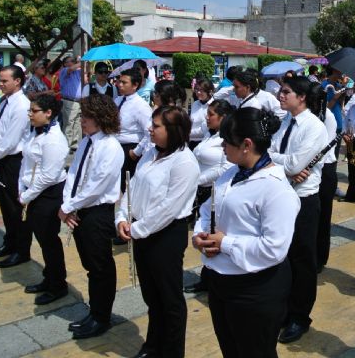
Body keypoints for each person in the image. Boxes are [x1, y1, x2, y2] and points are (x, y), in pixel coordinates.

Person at [194, 107, 299, 358]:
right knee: (231, 349)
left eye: (227, 142)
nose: (222, 147)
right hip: (222, 281)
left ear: (246, 145)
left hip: (255, 289)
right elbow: (209, 209)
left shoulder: (275, 189)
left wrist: (225, 243)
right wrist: (199, 234)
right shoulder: (231, 173)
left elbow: (274, 248)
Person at [117, 106, 199, 358]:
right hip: (140, 229)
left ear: (173, 131)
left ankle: (172, 351)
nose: (149, 129)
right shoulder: (151, 153)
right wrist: (122, 216)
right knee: (152, 296)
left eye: (156, 126)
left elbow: (168, 208)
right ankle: (153, 345)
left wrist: (137, 229)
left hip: (165, 236)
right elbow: (132, 185)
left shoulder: (185, 162)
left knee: (169, 298)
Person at [59, 93, 124, 339]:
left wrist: (69, 206)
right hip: (80, 208)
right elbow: (74, 173)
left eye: (87, 116)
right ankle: (94, 312)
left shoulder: (110, 146)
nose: (82, 120)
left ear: (100, 118)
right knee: (89, 265)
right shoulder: (87, 142)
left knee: (100, 267)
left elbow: (96, 186)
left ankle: (101, 317)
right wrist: (68, 203)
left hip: (97, 212)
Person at [270, 76, 327, 344]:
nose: (280, 96)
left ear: (301, 97)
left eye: (286, 92)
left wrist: (284, 163)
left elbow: (294, 165)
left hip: (303, 199)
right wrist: (285, 163)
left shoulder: (314, 127)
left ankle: (300, 317)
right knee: (282, 257)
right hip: (281, 194)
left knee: (302, 260)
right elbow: (271, 154)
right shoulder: (284, 122)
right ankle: (284, 309)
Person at [19, 94, 69, 305]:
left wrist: (26, 196)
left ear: (48, 113)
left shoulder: (54, 139)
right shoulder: (35, 132)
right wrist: (21, 186)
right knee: (43, 239)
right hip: (33, 191)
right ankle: (49, 278)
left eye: (34, 111)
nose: (30, 114)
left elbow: (49, 175)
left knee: (49, 240)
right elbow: (26, 161)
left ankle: (58, 284)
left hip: (48, 193)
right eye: (30, 110)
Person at [0, 65, 33, 268]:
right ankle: (10, 244)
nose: (0, 85)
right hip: (1, 159)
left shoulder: (21, 105)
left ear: (17, 81)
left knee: (16, 208)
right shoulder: (6, 102)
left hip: (13, 161)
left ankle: (22, 250)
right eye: (0, 80)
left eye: (4, 81)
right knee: (6, 206)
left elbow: (10, 141)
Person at [184, 99, 235, 295]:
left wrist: (197, 179)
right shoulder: (208, 133)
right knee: (204, 233)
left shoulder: (226, 138)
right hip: (202, 188)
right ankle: (207, 277)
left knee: (215, 234)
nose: (207, 117)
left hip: (214, 188)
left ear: (222, 118)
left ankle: (214, 278)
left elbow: (224, 168)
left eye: (211, 114)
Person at [312, 82, 339, 273]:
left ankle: (320, 257)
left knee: (323, 216)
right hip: (314, 168)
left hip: (325, 168)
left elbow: (322, 148)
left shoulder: (327, 117)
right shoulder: (312, 116)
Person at [114, 69, 152, 194]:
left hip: (130, 149)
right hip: (116, 147)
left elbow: (149, 131)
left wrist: (136, 151)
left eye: (124, 83)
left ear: (135, 85)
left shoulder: (140, 106)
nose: (120, 85)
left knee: (129, 189)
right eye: (119, 81)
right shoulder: (118, 101)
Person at [59, 56, 83, 149]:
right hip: (69, 101)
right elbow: (71, 69)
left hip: (78, 101)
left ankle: (74, 143)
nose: (72, 63)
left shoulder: (77, 72)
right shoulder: (64, 70)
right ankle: (67, 144)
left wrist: (85, 63)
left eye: (73, 61)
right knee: (69, 122)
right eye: (70, 61)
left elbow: (86, 70)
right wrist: (82, 61)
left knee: (77, 123)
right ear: (65, 63)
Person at [189, 78, 214, 149]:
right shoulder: (195, 103)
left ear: (210, 92)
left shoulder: (213, 106)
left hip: (204, 143)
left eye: (201, 90)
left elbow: (205, 130)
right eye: (197, 89)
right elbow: (191, 121)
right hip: (191, 141)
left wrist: (186, 133)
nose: (198, 92)